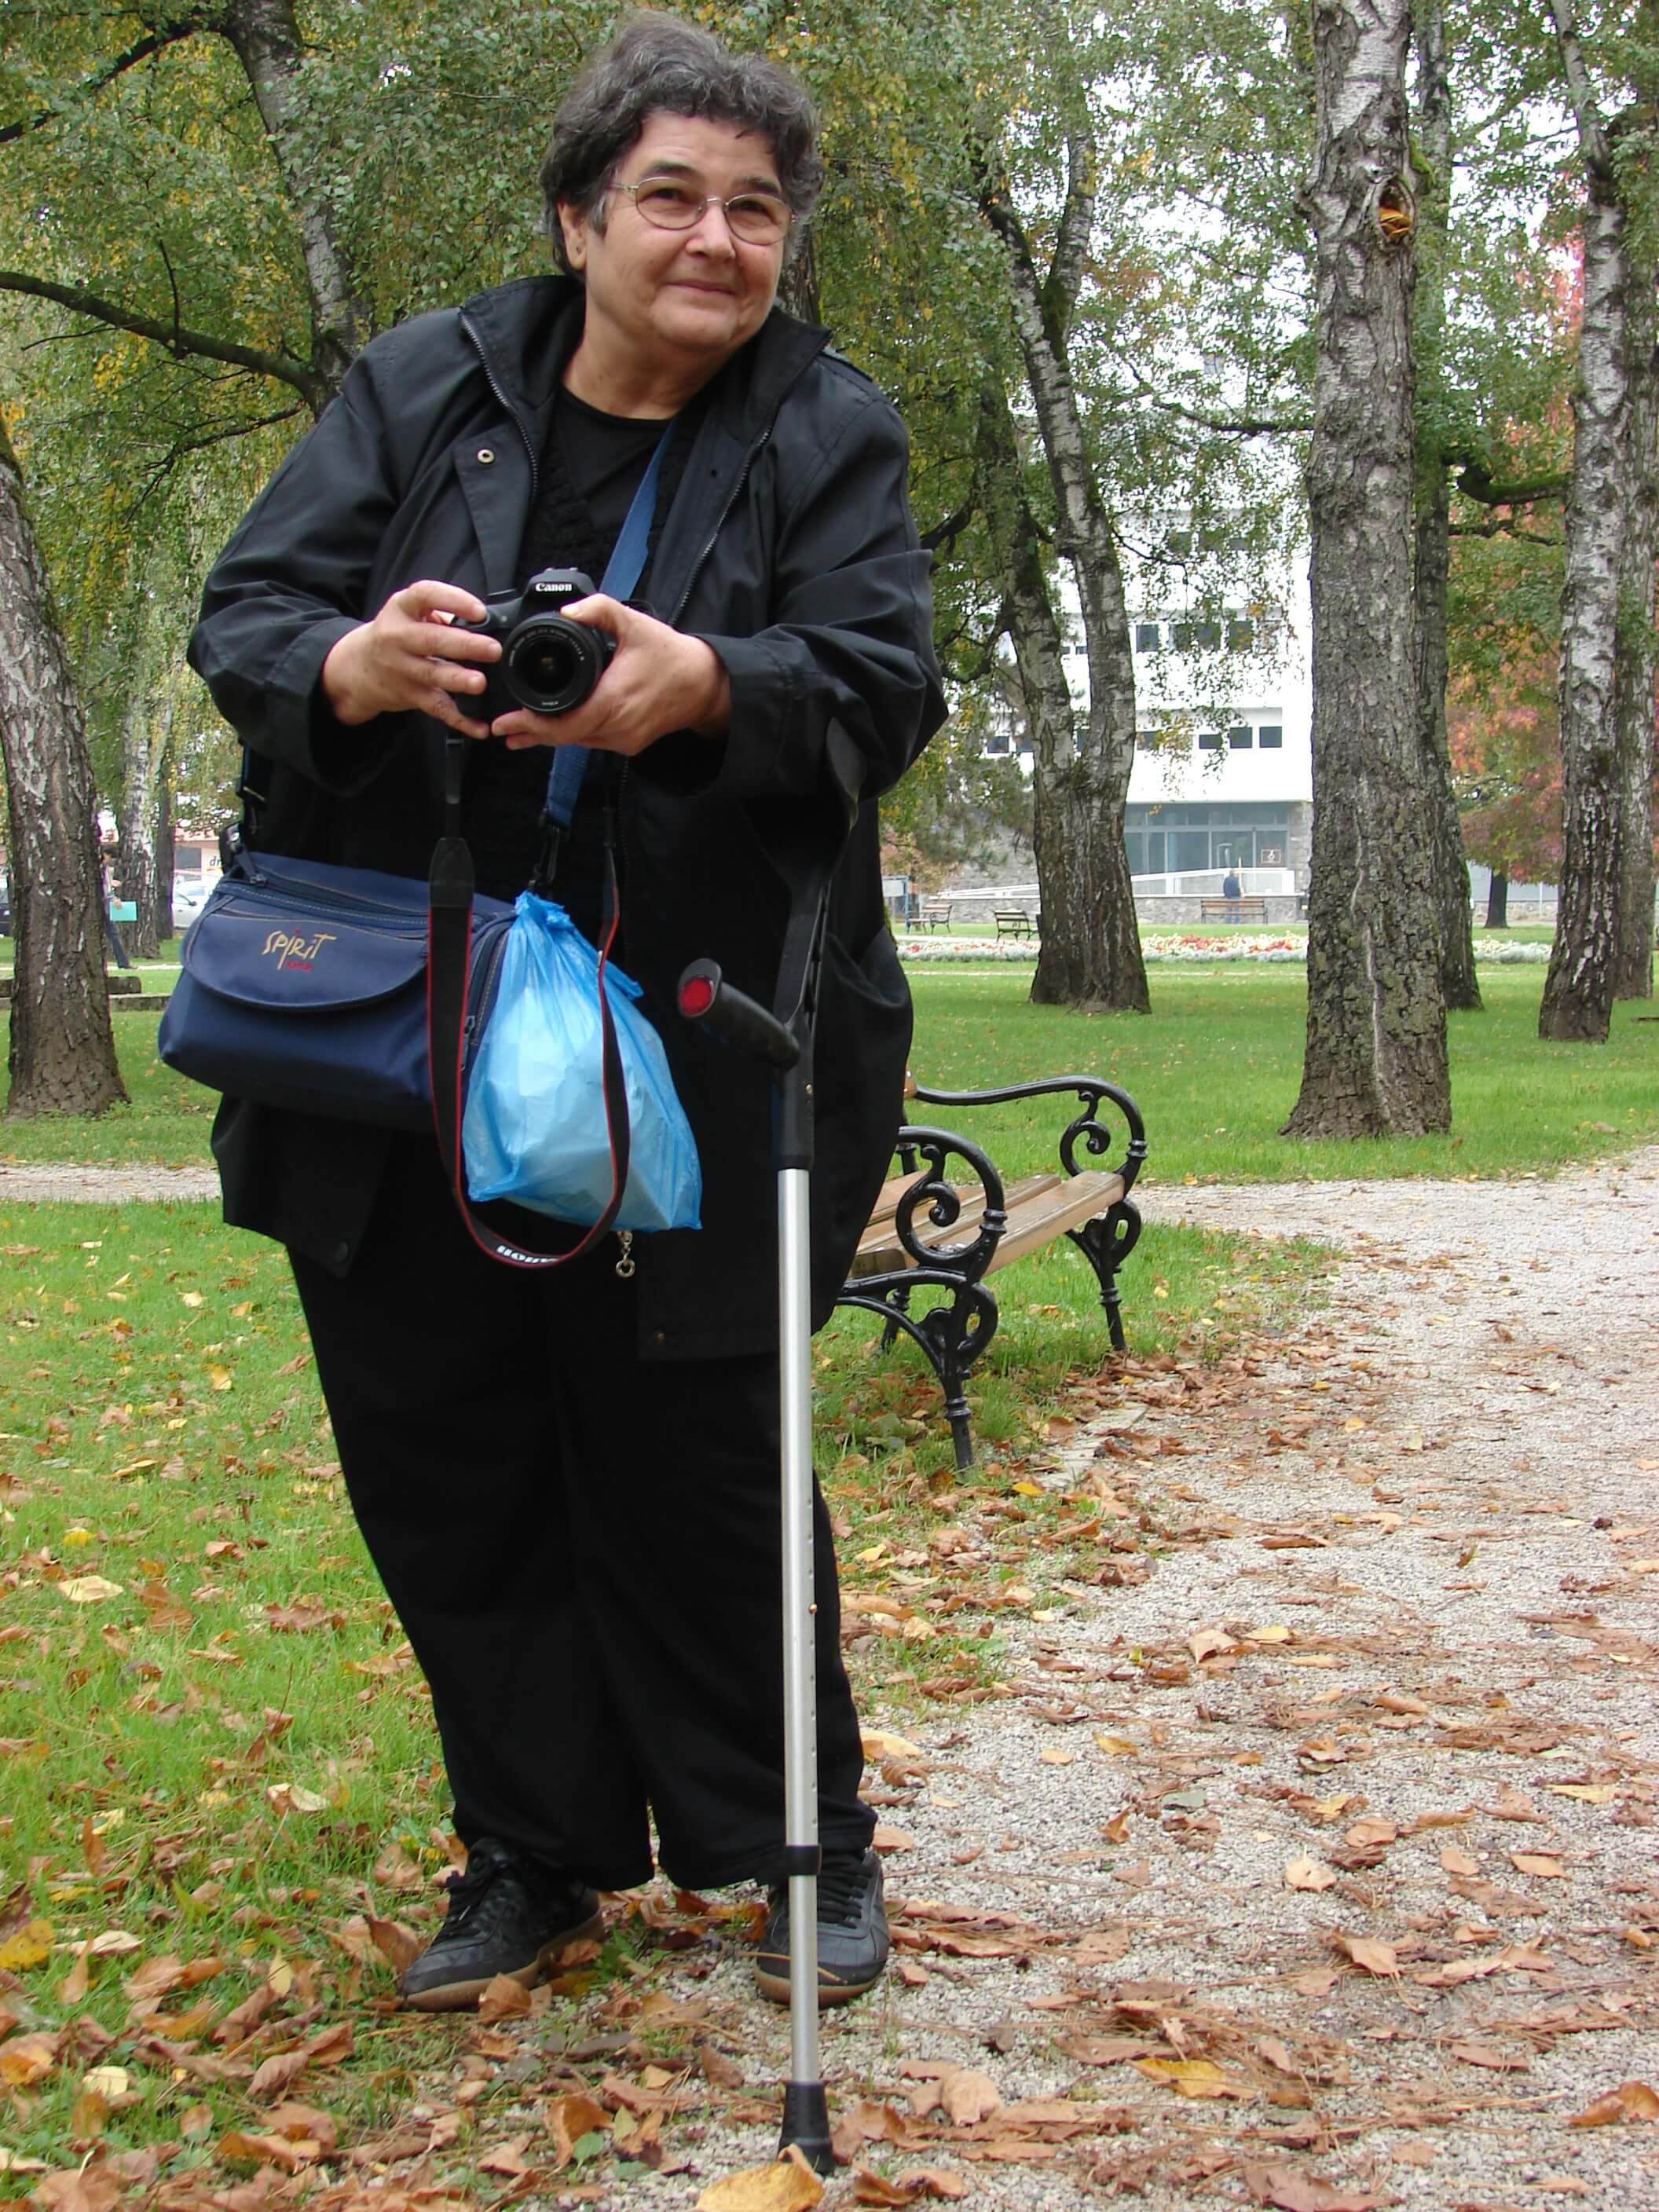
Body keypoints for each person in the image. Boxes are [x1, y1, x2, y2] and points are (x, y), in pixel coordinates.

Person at [187, 11, 945, 2012]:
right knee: (446, 1444)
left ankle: (799, 1845)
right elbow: (247, 614)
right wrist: (353, 664)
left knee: (704, 1452)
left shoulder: (823, 428)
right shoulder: (422, 384)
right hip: (401, 1025)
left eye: (756, 209)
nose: (716, 240)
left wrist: (707, 687)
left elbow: (882, 682)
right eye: (671, 197)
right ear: (578, 217)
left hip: (698, 1036)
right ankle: (532, 1851)